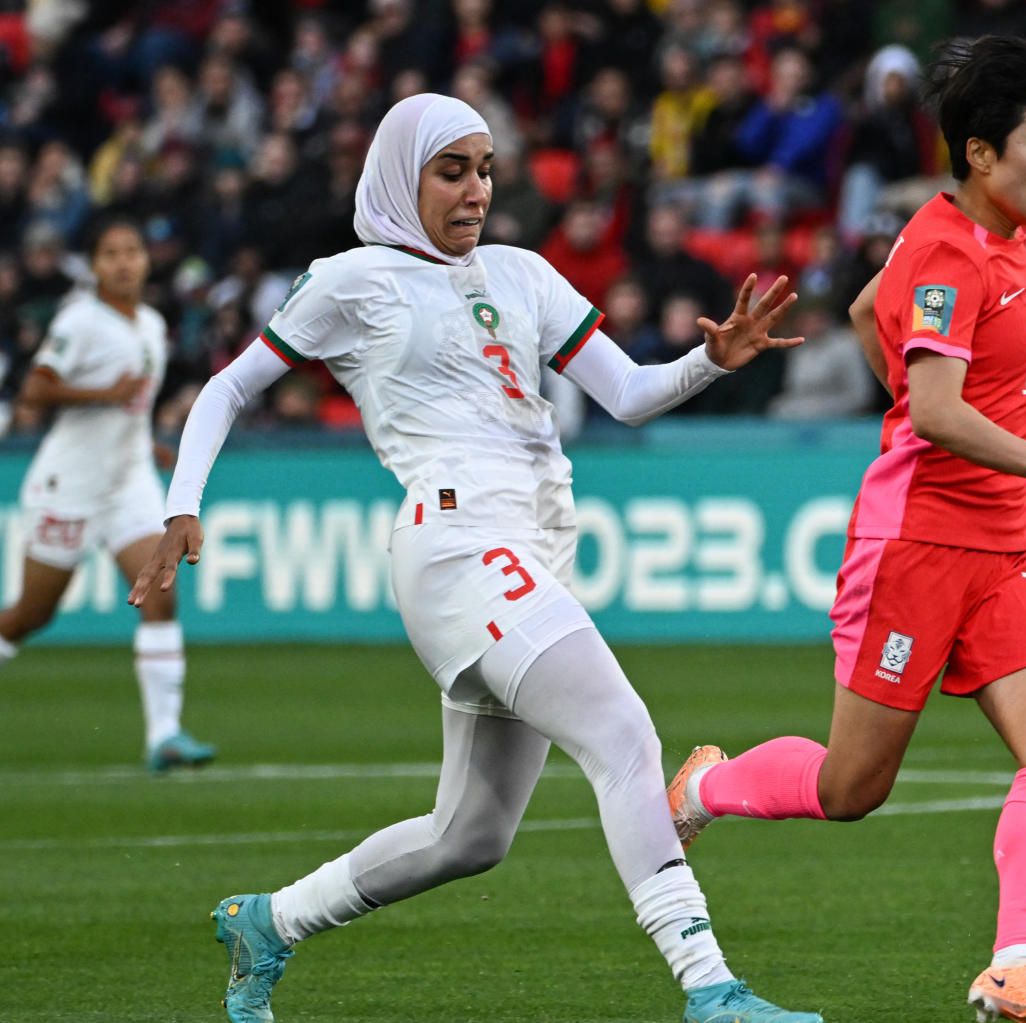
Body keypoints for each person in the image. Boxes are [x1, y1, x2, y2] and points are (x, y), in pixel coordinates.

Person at [127, 94, 820, 1023]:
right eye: (451, 169)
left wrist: (714, 362)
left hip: (524, 555)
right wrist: (182, 503)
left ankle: (271, 921)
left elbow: (629, 394)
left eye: (486, 168)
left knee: (471, 836)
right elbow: (226, 388)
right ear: (397, 175)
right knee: (624, 737)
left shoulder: (523, 273)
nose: (476, 189)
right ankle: (711, 988)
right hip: (455, 545)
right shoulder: (353, 279)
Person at [666, 37, 1026, 1023]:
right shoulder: (944, 248)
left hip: (1005, 544)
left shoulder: (993, 244)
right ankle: (706, 787)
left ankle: (1016, 964)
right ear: (979, 153)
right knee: (852, 788)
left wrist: (999, 467)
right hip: (915, 546)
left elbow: (864, 306)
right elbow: (929, 407)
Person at [0, 216, 215, 774]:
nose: (123, 262)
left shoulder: (148, 323)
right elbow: (35, 388)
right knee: (29, 615)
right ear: (94, 266)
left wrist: (148, 444)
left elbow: (132, 405)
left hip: (127, 483)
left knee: (161, 595)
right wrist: (103, 393)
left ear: (146, 260)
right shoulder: (81, 321)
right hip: (69, 485)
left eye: (132, 251)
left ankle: (164, 736)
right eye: (111, 254)